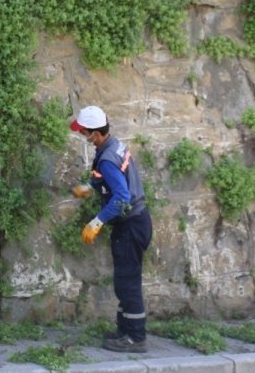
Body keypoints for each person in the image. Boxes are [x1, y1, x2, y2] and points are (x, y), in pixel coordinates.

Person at [71, 105, 153, 354]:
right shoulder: (114, 146)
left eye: (84, 133)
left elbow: (121, 198)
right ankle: (124, 330)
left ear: (95, 134)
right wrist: (90, 185)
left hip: (130, 226)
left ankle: (135, 338)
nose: (82, 136)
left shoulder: (106, 158)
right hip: (138, 222)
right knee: (124, 280)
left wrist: (96, 222)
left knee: (127, 282)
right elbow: (111, 176)